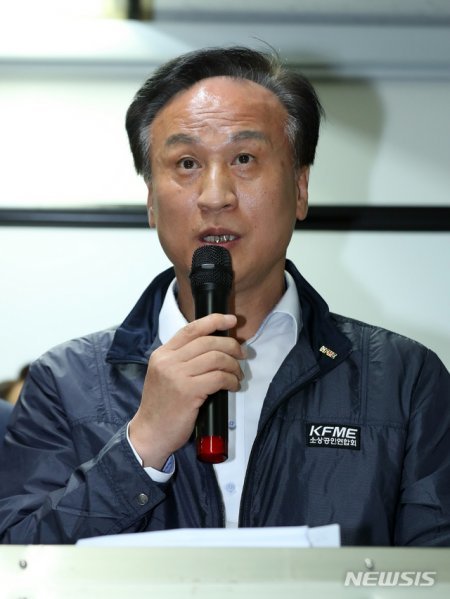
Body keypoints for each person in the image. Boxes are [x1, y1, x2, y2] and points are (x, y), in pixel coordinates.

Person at [0, 46, 448, 546]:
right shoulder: (63, 383)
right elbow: (18, 563)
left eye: (244, 159)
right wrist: (141, 445)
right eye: (187, 163)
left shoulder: (405, 379)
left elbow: (436, 571)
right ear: (151, 200)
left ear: (300, 188)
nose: (215, 196)